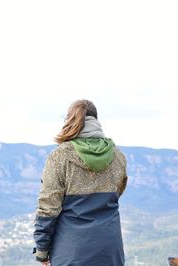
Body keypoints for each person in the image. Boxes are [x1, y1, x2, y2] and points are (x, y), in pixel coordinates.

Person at [33, 99, 128, 266]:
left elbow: (48, 207)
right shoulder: (117, 155)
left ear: (70, 120)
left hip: (71, 251)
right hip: (110, 250)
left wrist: (42, 250)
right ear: (96, 120)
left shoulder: (60, 157)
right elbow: (118, 193)